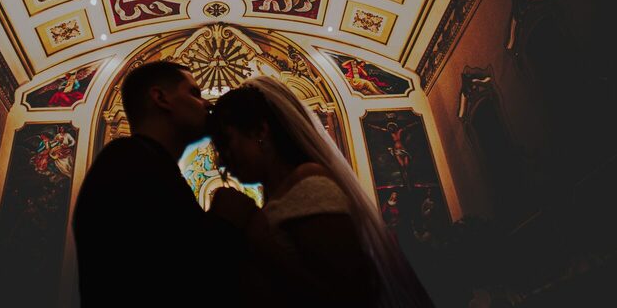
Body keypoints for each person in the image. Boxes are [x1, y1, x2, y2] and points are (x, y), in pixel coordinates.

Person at [207, 76, 434, 307]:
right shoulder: (280, 192)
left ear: (260, 132)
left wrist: (257, 235)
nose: (222, 160)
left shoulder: (309, 184)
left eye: (227, 142)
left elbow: (350, 292)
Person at [72, 61, 242, 307]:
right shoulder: (128, 162)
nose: (206, 104)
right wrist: (225, 222)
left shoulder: (145, 161)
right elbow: (178, 273)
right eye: (194, 93)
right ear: (161, 98)